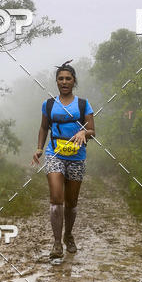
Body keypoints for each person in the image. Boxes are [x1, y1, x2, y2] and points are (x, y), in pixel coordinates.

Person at [31, 61, 95, 258]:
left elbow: (92, 130)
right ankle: (57, 243)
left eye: (68, 78)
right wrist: (40, 148)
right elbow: (44, 127)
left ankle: (68, 235)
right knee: (56, 198)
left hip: (77, 156)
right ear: (56, 82)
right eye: (61, 78)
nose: (64, 81)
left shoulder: (83, 104)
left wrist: (84, 133)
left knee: (71, 202)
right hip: (54, 154)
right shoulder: (49, 104)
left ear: (74, 81)